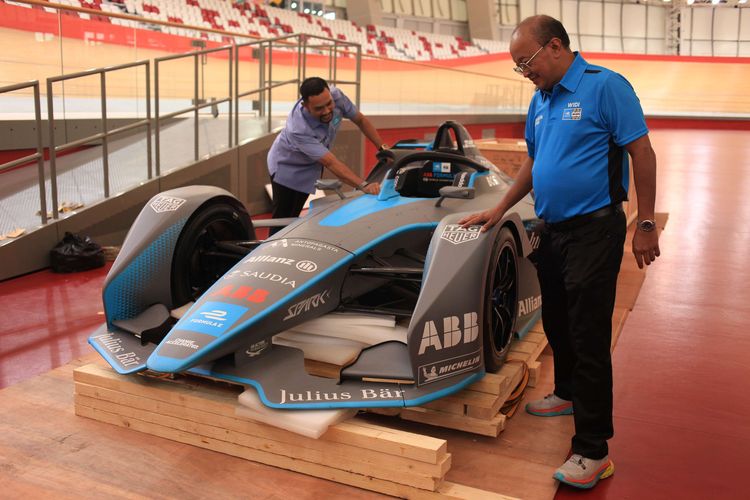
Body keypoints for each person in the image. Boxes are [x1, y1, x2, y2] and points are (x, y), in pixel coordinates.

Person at [459, 15, 660, 489]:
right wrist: (500, 207)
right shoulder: (540, 99)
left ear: (554, 47)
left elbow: (642, 153)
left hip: (595, 231)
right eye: (518, 67)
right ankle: (567, 393)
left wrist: (646, 223)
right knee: (558, 322)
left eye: (525, 62)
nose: (524, 72)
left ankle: (593, 450)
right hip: (552, 230)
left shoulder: (605, 87)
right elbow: (535, 158)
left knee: (589, 336)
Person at [266, 77, 386, 232]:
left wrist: (383, 149)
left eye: (329, 104)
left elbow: (361, 120)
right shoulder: (298, 128)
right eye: (319, 109)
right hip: (287, 170)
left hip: (310, 165)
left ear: (330, 94)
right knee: (283, 222)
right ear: (305, 106)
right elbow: (331, 163)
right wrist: (365, 185)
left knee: (293, 221)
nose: (327, 111)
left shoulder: (336, 95)